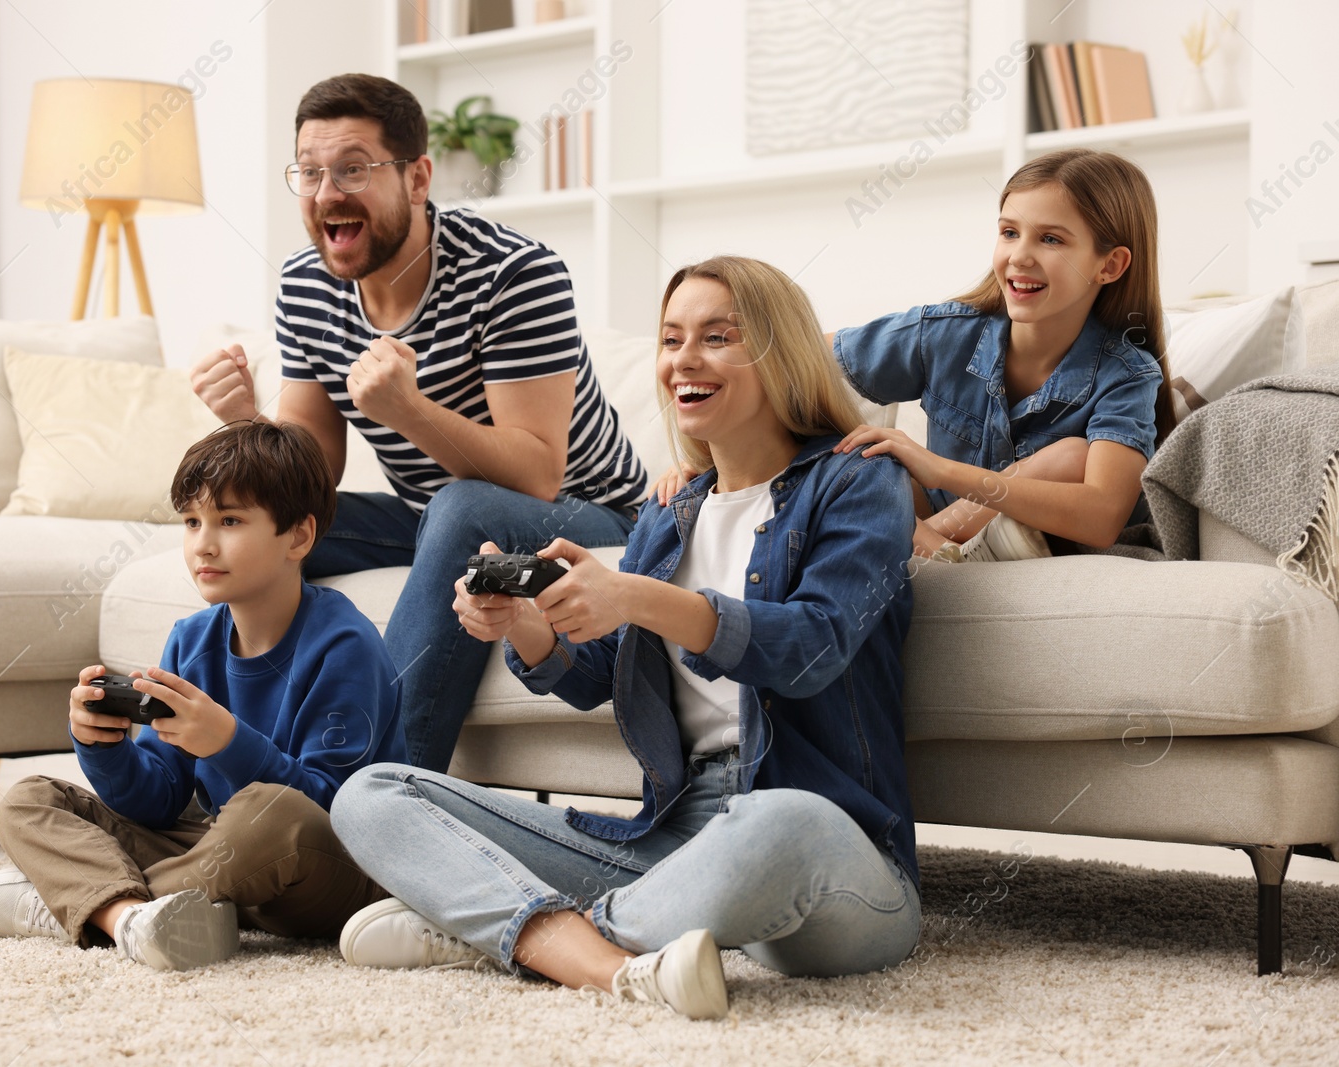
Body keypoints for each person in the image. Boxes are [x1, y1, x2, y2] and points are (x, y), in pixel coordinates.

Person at [328, 256, 921, 1021]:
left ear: (781, 352)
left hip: (827, 851)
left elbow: (811, 647)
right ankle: (593, 947)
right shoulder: (668, 514)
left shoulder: (856, 482)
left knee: (784, 820)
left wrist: (635, 593)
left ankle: (512, 933)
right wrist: (534, 628)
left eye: (718, 336)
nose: (684, 359)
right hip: (671, 835)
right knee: (373, 792)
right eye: (671, 339)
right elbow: (599, 677)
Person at [190, 74, 645, 773]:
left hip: (591, 515)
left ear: (417, 177)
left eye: (352, 169)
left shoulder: (514, 274)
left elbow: (537, 471)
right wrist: (251, 425)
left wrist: (409, 410)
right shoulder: (306, 285)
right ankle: (231, 765)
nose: (326, 193)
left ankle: (378, 795)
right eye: (309, 173)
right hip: (427, 516)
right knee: (267, 527)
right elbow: (313, 474)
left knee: (460, 510)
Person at [0, 421, 405, 971]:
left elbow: (335, 809)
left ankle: (84, 901)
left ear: (298, 536)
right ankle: (131, 916)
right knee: (30, 800)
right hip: (222, 858)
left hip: (326, 865)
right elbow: (159, 799)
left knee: (267, 814)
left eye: (229, 520)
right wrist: (104, 747)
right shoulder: (192, 641)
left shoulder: (346, 644)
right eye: (192, 521)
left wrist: (226, 742)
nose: (203, 542)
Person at [654, 148, 1173, 564]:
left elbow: (1105, 514)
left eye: (1052, 239)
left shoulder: (1127, 373)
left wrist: (939, 470)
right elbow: (789, 362)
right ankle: (934, 546)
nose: (1019, 255)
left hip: (1041, 536)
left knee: (1070, 457)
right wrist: (701, 467)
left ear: (1110, 265)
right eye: (1009, 231)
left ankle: (933, 546)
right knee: (854, 461)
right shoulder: (946, 333)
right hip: (927, 517)